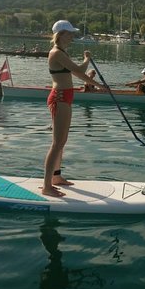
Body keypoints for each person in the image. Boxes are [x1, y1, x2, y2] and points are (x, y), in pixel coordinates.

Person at [44, 20, 105, 197]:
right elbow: (79, 71)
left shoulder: (63, 52)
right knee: (57, 143)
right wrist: (87, 59)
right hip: (60, 98)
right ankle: (47, 186)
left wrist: (98, 85)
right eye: (69, 33)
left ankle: (56, 177)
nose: (72, 36)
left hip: (66, 97)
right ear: (61, 34)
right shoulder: (56, 53)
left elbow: (78, 75)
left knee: (62, 142)